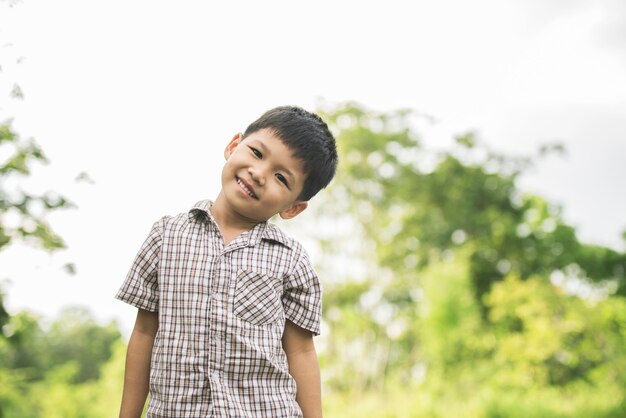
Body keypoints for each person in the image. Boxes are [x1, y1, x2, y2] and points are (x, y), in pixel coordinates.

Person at [116, 106, 338, 418]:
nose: (259, 174)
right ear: (234, 145)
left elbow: (301, 351)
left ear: (293, 208)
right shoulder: (166, 235)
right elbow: (143, 333)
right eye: (257, 153)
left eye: (280, 177)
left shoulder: (291, 260)